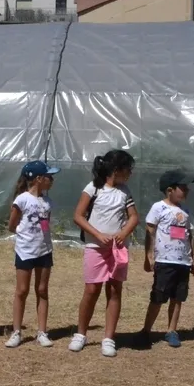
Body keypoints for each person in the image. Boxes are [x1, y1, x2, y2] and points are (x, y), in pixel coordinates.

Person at [70, 149, 138, 357]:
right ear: (116, 170)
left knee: (115, 290)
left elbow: (134, 217)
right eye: (128, 169)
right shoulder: (93, 188)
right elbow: (78, 216)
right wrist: (98, 235)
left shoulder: (125, 191)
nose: (130, 174)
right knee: (91, 290)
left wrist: (123, 232)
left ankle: (109, 338)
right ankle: (80, 334)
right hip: (95, 248)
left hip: (118, 250)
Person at [140, 171, 194, 349]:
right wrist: (148, 256)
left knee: (178, 298)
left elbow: (189, 236)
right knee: (158, 297)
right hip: (165, 261)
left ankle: (172, 330)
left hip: (182, 262)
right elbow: (149, 231)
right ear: (170, 190)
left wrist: (193, 259)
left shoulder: (186, 211)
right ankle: (145, 331)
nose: (187, 190)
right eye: (183, 187)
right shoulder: (158, 208)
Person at [5, 160, 60, 349]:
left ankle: (42, 332)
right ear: (38, 179)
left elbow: (47, 225)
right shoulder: (21, 200)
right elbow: (12, 225)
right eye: (49, 176)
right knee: (22, 291)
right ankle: (16, 332)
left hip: (45, 251)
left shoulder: (48, 201)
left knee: (42, 290)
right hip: (25, 251)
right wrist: (24, 235)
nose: (52, 180)